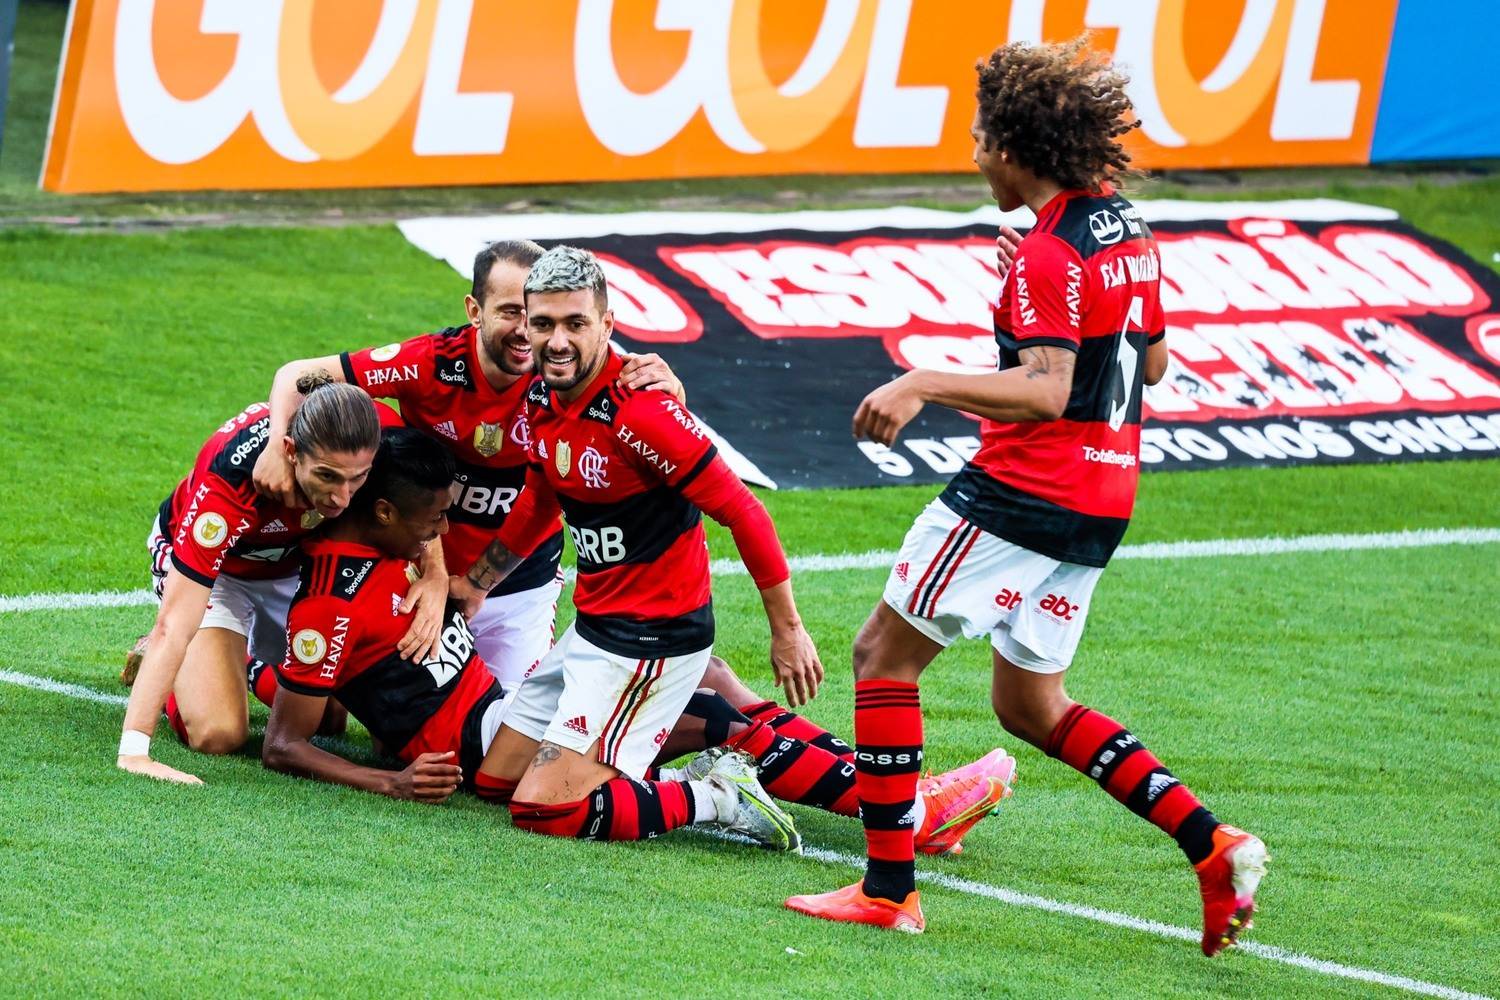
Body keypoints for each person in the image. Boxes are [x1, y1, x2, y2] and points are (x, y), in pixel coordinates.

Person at [786, 37, 1267, 953]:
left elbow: (1048, 388)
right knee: (1030, 708)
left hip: (1022, 491)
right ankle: (1212, 847)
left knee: (882, 657)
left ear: (1013, 145)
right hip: (1102, 499)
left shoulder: (1051, 253)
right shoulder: (1120, 224)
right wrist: (1040, 284)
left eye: (978, 135)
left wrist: (922, 378)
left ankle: (889, 892)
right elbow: (1152, 361)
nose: (970, 152)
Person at [449, 245, 834, 848]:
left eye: (575, 324)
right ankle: (715, 739)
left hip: (650, 638)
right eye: (543, 323)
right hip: (595, 631)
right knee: (496, 780)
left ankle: (721, 795)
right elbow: (540, 499)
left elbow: (744, 511)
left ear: (606, 323)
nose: (556, 341)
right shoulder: (543, 395)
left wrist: (787, 629)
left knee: (544, 810)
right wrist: (476, 582)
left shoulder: (641, 411)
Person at [266, 427, 805, 849]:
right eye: (435, 520)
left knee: (710, 702)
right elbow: (284, 744)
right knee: (711, 720)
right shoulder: (330, 604)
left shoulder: (395, 549)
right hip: (481, 751)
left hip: (500, 716)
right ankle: (720, 795)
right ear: (384, 513)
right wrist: (392, 782)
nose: (445, 534)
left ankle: (869, 786)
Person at [254, 240, 683, 690]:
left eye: (533, 315)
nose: (525, 331)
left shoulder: (568, 371)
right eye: (509, 312)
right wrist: (273, 448)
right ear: (474, 310)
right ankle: (255, 665)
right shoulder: (427, 364)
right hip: (416, 577)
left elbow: (651, 418)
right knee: (393, 732)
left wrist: (671, 392)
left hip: (518, 587)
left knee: (515, 732)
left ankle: (721, 703)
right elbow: (294, 376)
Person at [117, 376, 395, 783]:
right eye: (328, 477)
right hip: (220, 573)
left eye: (358, 478)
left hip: (291, 567)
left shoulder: (373, 429)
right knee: (218, 734)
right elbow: (175, 622)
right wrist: (135, 751)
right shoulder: (231, 481)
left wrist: (436, 574)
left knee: (329, 720)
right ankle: (170, 672)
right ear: (290, 452)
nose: (343, 498)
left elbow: (423, 502)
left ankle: (237, 661)